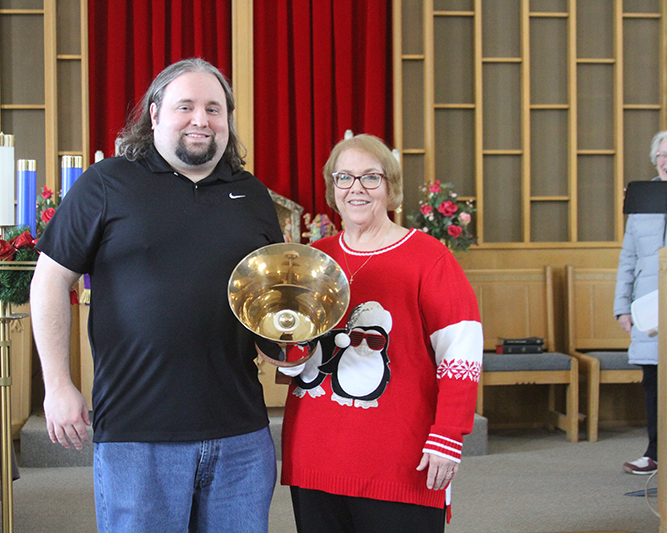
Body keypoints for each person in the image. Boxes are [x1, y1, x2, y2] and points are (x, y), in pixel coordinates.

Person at [30, 58, 284, 532]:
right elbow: (49, 280)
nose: (200, 119)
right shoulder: (106, 183)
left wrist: (289, 349)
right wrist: (58, 385)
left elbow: (270, 300)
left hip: (240, 432)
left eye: (214, 108)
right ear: (154, 114)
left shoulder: (252, 195)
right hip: (138, 431)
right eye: (184, 106)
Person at [278, 134, 483, 532]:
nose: (356, 188)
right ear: (331, 188)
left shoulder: (429, 258)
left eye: (370, 178)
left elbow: (462, 353)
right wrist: (278, 348)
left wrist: (447, 434)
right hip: (314, 454)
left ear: (390, 188)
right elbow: (296, 353)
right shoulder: (314, 258)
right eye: (344, 178)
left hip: (399, 460)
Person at [614, 128, 667, 475]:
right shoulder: (643, 201)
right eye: (662, 155)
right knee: (653, 383)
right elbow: (628, 258)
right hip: (650, 307)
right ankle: (655, 453)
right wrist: (622, 306)